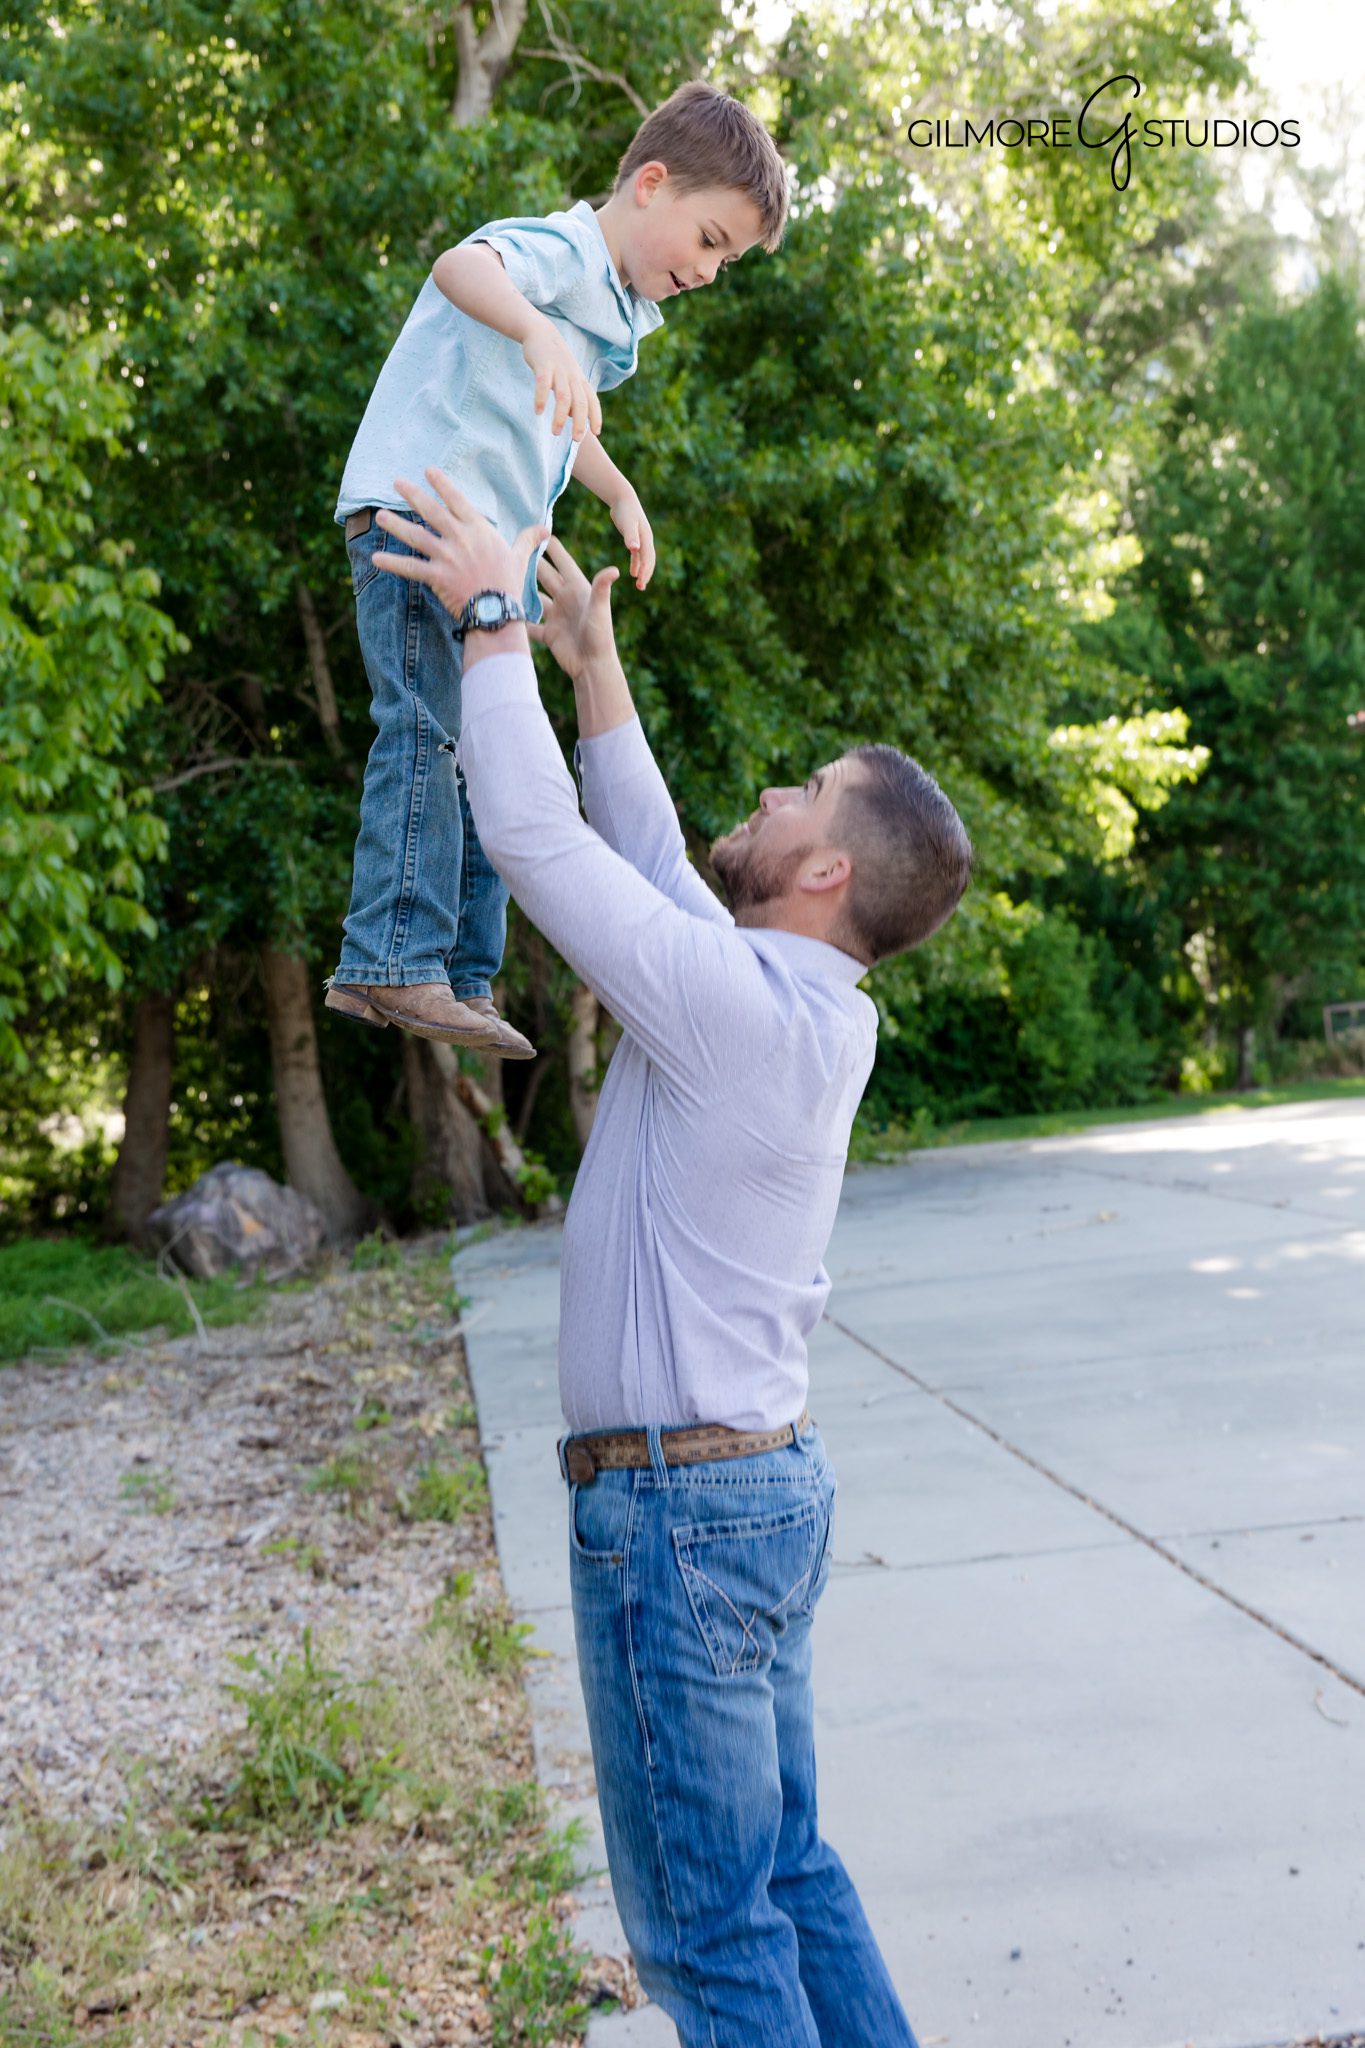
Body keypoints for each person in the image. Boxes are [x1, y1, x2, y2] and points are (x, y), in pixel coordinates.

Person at [370, 469, 973, 2047]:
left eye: (802, 797)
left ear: (828, 872)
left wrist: (489, 617)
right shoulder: (782, 1002)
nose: (771, 797)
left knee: (709, 1942)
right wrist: (589, 664)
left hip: (675, 1514)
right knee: (788, 1877)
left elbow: (529, 836)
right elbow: (648, 865)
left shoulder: (740, 1015)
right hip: (744, 1492)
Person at [325, 81, 788, 1059]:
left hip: (483, 562)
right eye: (710, 241)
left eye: (730, 262)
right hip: (421, 520)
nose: (713, 272)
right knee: (428, 732)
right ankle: (389, 956)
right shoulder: (562, 253)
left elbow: (557, 415)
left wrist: (616, 490)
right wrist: (535, 325)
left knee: (493, 754)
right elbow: (462, 264)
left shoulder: (611, 315)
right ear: (652, 184)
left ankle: (459, 976)